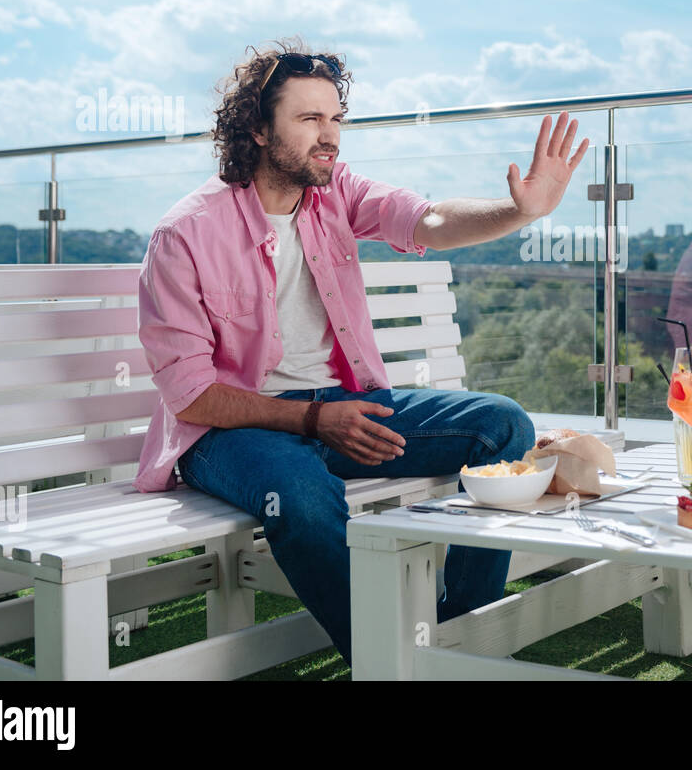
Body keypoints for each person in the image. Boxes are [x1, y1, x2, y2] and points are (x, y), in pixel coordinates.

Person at [135, 39, 589, 667]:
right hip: (229, 429)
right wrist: (313, 420)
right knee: (300, 493)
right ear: (259, 130)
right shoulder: (184, 234)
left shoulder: (335, 193)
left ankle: (456, 639)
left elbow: (428, 221)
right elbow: (190, 394)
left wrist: (519, 210)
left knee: (500, 423)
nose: (331, 137)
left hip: (346, 412)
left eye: (336, 118)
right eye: (309, 119)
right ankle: (388, 662)